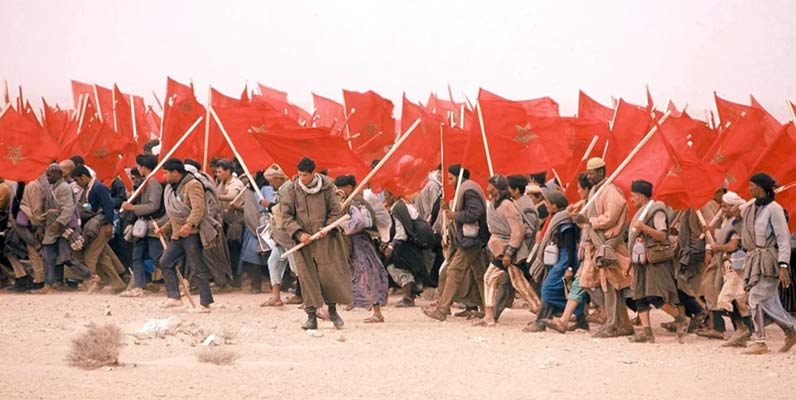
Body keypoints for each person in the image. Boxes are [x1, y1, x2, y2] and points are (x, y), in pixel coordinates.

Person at [280, 157, 352, 330]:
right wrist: (299, 233)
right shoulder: (292, 189)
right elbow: (286, 216)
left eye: (305, 175)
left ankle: (333, 311)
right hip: (304, 244)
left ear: (313, 173)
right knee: (306, 278)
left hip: (326, 241)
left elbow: (336, 211)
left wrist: (327, 228)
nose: (301, 178)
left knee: (329, 276)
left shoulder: (327, 187)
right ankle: (311, 316)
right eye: (299, 174)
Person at [569, 157, 633, 338]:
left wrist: (588, 221)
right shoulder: (596, 192)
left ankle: (613, 325)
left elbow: (610, 218)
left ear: (601, 172)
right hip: (595, 245)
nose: (588, 176)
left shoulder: (611, 191)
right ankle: (618, 322)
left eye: (591, 173)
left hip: (607, 245)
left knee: (610, 285)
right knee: (589, 283)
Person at [738, 173, 796, 354]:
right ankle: (792, 330)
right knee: (770, 302)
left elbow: (783, 238)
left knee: (755, 298)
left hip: (768, 261)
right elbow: (740, 210)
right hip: (754, 259)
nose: (749, 189)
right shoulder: (752, 207)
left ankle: (760, 341)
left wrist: (783, 265)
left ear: (760, 187)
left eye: (752, 186)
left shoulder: (775, 209)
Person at [423, 164, 488, 322]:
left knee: (454, 271)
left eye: (451, 178)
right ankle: (487, 309)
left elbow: (474, 212)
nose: (449, 181)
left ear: (458, 177)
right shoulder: (467, 188)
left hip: (471, 239)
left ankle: (442, 309)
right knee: (481, 276)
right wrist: (449, 208)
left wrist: (454, 215)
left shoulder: (468, 190)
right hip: (475, 238)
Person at [625, 180, 687, 343]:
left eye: (633, 196)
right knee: (639, 296)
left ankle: (679, 318)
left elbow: (661, 234)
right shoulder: (641, 212)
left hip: (654, 260)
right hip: (639, 259)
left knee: (655, 297)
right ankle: (647, 332)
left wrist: (644, 228)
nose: (631, 199)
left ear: (641, 196)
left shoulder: (656, 210)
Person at [475, 175, 541, 327]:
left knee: (513, 282)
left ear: (497, 188)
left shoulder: (507, 205)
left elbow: (517, 231)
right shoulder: (493, 204)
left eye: (491, 186)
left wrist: (509, 252)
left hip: (509, 250)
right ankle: (490, 315)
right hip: (500, 249)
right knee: (513, 282)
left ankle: (540, 312)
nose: (488, 188)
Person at [157, 158, 213, 312]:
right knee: (165, 261)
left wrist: (189, 224)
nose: (164, 176)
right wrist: (165, 228)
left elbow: (198, 209)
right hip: (177, 234)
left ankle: (205, 303)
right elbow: (175, 214)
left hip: (192, 234)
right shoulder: (171, 188)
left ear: (176, 172)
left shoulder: (193, 185)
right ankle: (174, 297)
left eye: (166, 173)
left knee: (197, 267)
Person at [525, 191, 583, 332]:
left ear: (555, 205)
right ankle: (545, 320)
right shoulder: (557, 218)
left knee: (548, 289)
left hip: (565, 260)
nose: (545, 205)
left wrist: (568, 268)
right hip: (557, 259)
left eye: (548, 202)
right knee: (559, 290)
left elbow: (570, 247)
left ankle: (567, 316)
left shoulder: (565, 223)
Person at [34, 164, 97, 294]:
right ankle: (49, 285)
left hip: (62, 227)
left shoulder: (63, 188)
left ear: (57, 174)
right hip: (52, 227)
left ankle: (90, 277)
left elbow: (68, 208)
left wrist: (58, 222)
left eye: (49, 175)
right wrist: (42, 226)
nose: (47, 177)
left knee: (66, 257)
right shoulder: (52, 188)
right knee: (48, 256)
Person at [336, 175, 388, 322]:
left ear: (348, 188)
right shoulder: (347, 202)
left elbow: (359, 223)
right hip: (349, 242)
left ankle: (377, 312)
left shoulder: (356, 202)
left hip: (360, 242)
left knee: (369, 273)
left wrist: (342, 225)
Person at [706, 191, 755, 347]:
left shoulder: (738, 224)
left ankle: (744, 329)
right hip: (727, 267)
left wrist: (717, 247)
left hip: (736, 267)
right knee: (736, 300)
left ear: (734, 207)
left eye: (726, 206)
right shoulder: (728, 221)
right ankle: (745, 330)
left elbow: (733, 245)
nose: (723, 208)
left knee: (727, 299)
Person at [72, 165, 127, 293]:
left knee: (90, 255)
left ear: (84, 177)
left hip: (101, 226)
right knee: (102, 256)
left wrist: (109, 224)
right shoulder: (90, 188)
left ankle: (92, 281)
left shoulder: (98, 187)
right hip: (96, 225)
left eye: (77, 180)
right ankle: (116, 281)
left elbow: (108, 206)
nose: (77, 183)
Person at [120, 154, 166, 298]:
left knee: (156, 257)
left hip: (152, 225)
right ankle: (139, 287)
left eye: (139, 166)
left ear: (144, 167)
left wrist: (133, 208)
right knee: (137, 255)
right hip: (142, 226)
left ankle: (179, 281)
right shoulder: (145, 181)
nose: (138, 169)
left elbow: (154, 205)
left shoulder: (153, 183)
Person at [259, 164, 296, 306]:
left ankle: (304, 295)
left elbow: (285, 210)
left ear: (278, 178)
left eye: (272, 180)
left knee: (296, 268)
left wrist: (269, 205)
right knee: (273, 262)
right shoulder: (281, 190)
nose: (270, 183)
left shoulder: (288, 189)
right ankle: (276, 296)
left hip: (289, 236)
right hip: (280, 236)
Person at [384, 188, 425, 307]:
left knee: (397, 268)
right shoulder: (400, 206)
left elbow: (401, 231)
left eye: (386, 195)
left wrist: (391, 246)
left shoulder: (398, 208)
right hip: (409, 243)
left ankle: (407, 297)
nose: (385, 198)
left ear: (394, 196)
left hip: (405, 244)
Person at [215, 159, 246, 288]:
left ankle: (236, 278)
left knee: (234, 250)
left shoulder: (236, 183)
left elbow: (233, 196)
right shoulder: (221, 183)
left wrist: (216, 196)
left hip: (235, 221)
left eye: (220, 171)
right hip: (224, 220)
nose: (217, 174)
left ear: (228, 171)